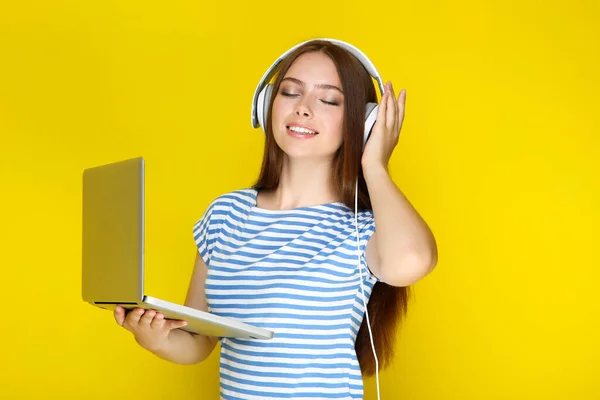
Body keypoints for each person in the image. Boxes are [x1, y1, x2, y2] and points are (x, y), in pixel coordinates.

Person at [114, 38, 438, 400]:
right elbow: (198, 340)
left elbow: (413, 261)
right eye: (289, 93)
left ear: (363, 123)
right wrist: (154, 338)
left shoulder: (363, 228)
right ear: (267, 105)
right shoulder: (225, 215)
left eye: (328, 99)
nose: (303, 109)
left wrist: (374, 163)